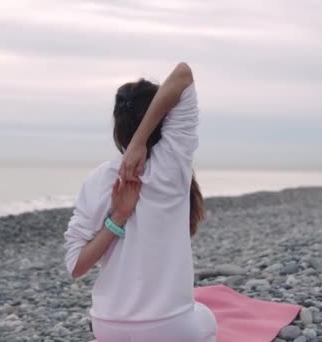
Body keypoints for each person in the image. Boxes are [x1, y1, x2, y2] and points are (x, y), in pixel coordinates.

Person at [64, 62, 218, 342]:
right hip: (168, 329)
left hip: (108, 327)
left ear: (117, 126)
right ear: (165, 120)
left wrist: (117, 219)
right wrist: (140, 141)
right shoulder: (172, 163)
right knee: (207, 318)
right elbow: (182, 74)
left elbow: (76, 266)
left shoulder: (99, 179)